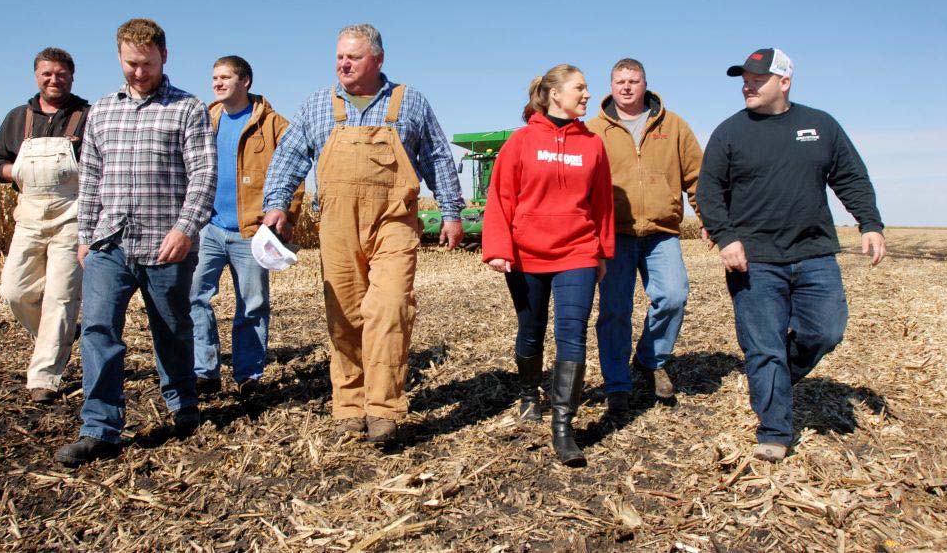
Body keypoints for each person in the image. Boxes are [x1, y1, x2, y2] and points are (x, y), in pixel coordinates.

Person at [261, 23, 465, 442]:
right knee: (345, 316)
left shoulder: (409, 103)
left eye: (353, 56)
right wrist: (276, 205)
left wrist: (450, 211)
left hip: (394, 221)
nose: (343, 63)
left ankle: (384, 408)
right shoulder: (319, 105)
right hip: (337, 225)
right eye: (339, 56)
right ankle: (350, 404)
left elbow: (439, 157)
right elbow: (289, 157)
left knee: (389, 310)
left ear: (378, 59)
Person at [699, 48, 886, 462]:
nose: (748, 84)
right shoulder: (730, 132)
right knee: (763, 346)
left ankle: (776, 378)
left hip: (814, 252)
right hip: (755, 259)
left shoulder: (820, 126)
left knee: (826, 330)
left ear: (784, 82)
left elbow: (850, 176)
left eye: (757, 78)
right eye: (744, 78)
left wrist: (869, 222)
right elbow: (709, 191)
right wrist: (726, 236)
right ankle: (775, 430)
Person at [56, 18, 217, 467]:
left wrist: (185, 229)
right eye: (130, 64)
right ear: (119, 58)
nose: (138, 73)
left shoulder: (188, 109)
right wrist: (85, 237)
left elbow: (203, 174)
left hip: (166, 243)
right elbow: (90, 178)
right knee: (99, 330)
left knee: (171, 327)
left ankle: (183, 401)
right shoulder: (103, 111)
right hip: (110, 242)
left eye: (146, 64)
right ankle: (100, 428)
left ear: (164, 57)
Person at [482, 64, 615, 466]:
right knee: (532, 330)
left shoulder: (592, 145)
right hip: (526, 253)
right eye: (580, 87)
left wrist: (602, 252)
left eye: (587, 88)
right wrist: (498, 248)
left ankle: (563, 427)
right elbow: (501, 196)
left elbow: (603, 204)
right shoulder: (521, 142)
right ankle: (527, 393)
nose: (588, 94)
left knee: (572, 334)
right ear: (554, 94)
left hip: (577, 252)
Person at [586, 58, 703, 413]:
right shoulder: (593, 131)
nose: (626, 87)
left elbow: (697, 176)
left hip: (661, 232)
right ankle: (617, 383)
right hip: (614, 235)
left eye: (633, 81)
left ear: (645, 84)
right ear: (611, 86)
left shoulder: (674, 126)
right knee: (614, 310)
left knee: (673, 296)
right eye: (620, 81)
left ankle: (651, 359)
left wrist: (710, 218)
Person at [189, 56, 303, 399]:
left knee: (251, 305)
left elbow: (295, 174)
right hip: (208, 226)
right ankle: (204, 371)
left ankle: (248, 376)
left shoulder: (274, 125)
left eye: (225, 77)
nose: (217, 83)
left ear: (246, 82)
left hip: (251, 231)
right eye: (214, 77)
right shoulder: (205, 119)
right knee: (194, 297)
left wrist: (286, 217)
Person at [0, 48, 89, 405]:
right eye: (47, 73)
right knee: (14, 290)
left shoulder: (86, 116)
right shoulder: (18, 118)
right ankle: (59, 334)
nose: (54, 79)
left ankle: (44, 377)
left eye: (61, 74)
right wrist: (11, 171)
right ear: (36, 76)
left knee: (61, 296)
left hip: (71, 215)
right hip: (29, 215)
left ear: (71, 77)